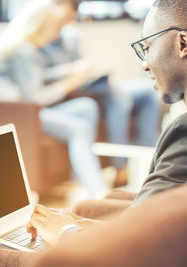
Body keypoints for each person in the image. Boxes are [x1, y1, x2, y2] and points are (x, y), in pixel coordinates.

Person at [26, 0, 187, 245]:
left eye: (147, 47)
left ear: (183, 44)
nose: (144, 63)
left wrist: (64, 233)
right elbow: (142, 221)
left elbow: (128, 243)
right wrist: (73, 222)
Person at [0, 0, 108, 198]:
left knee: (86, 107)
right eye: (57, 26)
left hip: (21, 108)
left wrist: (68, 70)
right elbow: (34, 98)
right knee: (78, 127)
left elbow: (35, 76)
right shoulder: (24, 50)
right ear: (42, 26)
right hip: (17, 113)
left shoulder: (22, 44)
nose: (59, 32)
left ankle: (78, 182)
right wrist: (70, 83)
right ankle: (99, 192)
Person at [40, 0, 161, 176]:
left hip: (88, 84)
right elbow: (43, 80)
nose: (70, 16)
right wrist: (70, 74)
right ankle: (121, 166)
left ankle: (152, 162)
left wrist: (89, 73)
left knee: (148, 91)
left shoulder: (70, 36)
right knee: (119, 98)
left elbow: (78, 64)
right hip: (71, 93)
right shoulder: (38, 42)